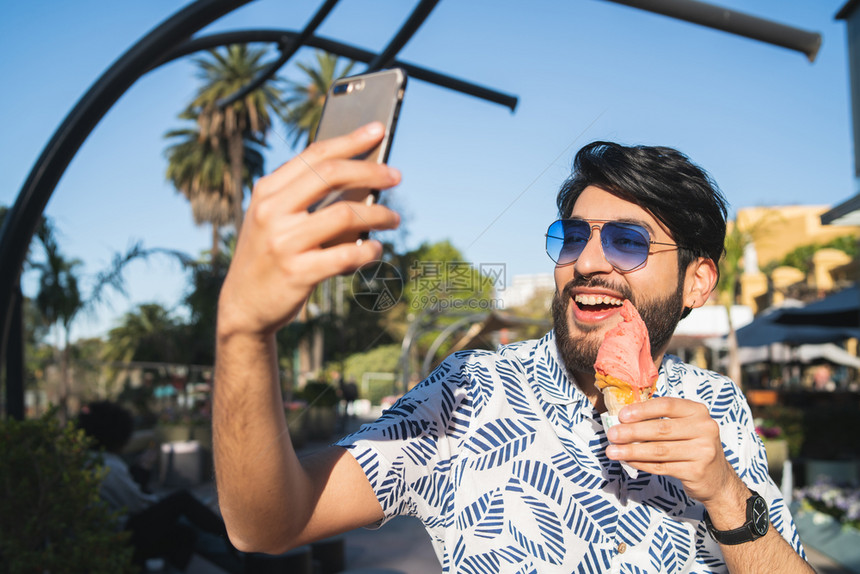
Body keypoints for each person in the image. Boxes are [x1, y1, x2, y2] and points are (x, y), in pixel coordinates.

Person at [213, 122, 813, 572]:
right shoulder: (468, 393)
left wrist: (726, 492)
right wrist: (243, 332)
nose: (589, 260)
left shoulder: (718, 406)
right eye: (573, 236)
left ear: (697, 281)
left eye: (629, 242)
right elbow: (269, 523)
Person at [78, 401, 239, 572]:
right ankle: (231, 538)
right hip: (119, 535)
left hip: (109, 532)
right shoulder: (108, 465)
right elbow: (138, 504)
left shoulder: (88, 459)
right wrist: (161, 500)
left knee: (182, 532)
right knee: (182, 502)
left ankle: (228, 545)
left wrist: (142, 470)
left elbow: (130, 497)